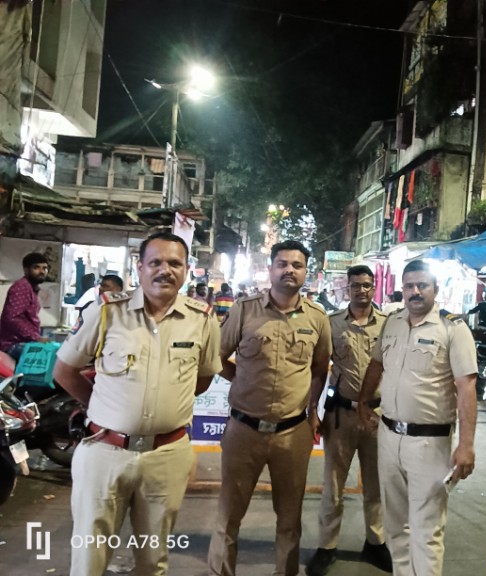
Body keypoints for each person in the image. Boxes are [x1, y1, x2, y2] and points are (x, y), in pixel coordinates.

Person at [53, 232, 222, 576]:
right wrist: (103, 408)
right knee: (89, 558)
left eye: (174, 263)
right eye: (155, 262)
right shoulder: (106, 312)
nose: (165, 270)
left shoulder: (202, 319)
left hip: (166, 456)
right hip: (105, 452)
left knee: (153, 558)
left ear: (186, 270)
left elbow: (202, 379)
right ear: (140, 268)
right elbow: (65, 371)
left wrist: (165, 407)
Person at [208, 240, 332, 576]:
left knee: (290, 519)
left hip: (292, 433)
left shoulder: (317, 318)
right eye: (282, 264)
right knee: (228, 516)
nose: (289, 270)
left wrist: (312, 410)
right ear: (271, 269)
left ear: (306, 272)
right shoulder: (245, 310)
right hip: (243, 431)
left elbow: (320, 368)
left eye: (297, 265)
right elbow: (216, 356)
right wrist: (241, 380)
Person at [358, 259, 478, 576]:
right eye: (409, 285)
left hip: (429, 443)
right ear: (402, 288)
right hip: (388, 436)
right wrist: (364, 401)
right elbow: (376, 364)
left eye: (422, 285)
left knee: (426, 531)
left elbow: (466, 387)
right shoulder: (393, 323)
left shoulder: (453, 329)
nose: (415, 292)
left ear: (435, 289)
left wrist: (466, 445)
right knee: (396, 526)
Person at [306, 265, 392, 576]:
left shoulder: (388, 324)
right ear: (348, 288)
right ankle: (327, 546)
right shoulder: (332, 324)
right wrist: (312, 411)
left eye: (367, 285)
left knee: (376, 485)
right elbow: (319, 370)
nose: (361, 290)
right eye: (356, 285)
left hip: (377, 417)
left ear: (374, 287)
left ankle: (375, 542)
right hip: (340, 416)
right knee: (333, 485)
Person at [0, 252, 49, 360]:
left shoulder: (32, 288)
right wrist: (36, 337)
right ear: (26, 270)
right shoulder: (22, 287)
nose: (41, 271)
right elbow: (12, 318)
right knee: (49, 357)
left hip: (25, 342)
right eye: (36, 268)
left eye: (44, 268)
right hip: (13, 344)